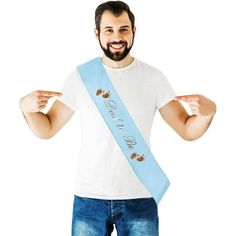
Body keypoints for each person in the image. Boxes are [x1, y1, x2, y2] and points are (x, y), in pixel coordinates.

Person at [19, 1, 216, 235]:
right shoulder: (81, 77)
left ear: (134, 31)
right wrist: (25, 107)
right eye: (109, 30)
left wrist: (208, 112)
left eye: (123, 29)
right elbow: (48, 128)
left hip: (140, 196)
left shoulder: (154, 78)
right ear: (97, 34)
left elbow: (186, 129)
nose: (117, 37)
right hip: (89, 197)